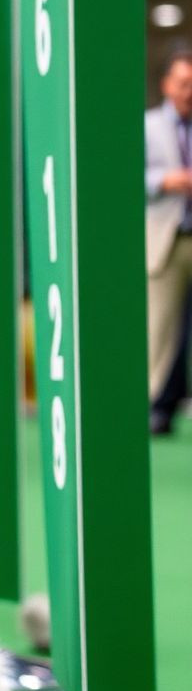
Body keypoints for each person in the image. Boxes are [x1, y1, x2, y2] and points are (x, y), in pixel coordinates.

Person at [145, 50, 192, 434]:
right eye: (184, 83)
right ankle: (155, 407)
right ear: (167, 85)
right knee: (160, 327)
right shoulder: (147, 126)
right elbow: (128, 175)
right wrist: (165, 180)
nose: (189, 91)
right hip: (166, 240)